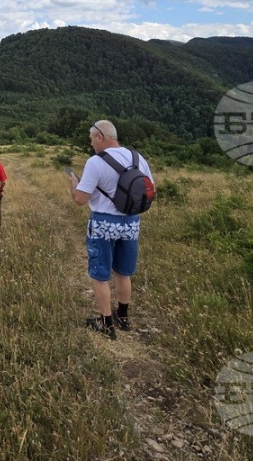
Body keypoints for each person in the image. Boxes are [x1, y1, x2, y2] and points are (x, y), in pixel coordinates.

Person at [68, 120, 155, 340]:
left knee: (100, 275)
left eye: (91, 140)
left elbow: (80, 199)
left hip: (103, 223)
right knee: (123, 273)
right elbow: (149, 189)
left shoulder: (96, 162)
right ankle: (123, 316)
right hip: (131, 223)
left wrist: (73, 184)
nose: (91, 145)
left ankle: (106, 323)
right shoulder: (138, 158)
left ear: (100, 136)